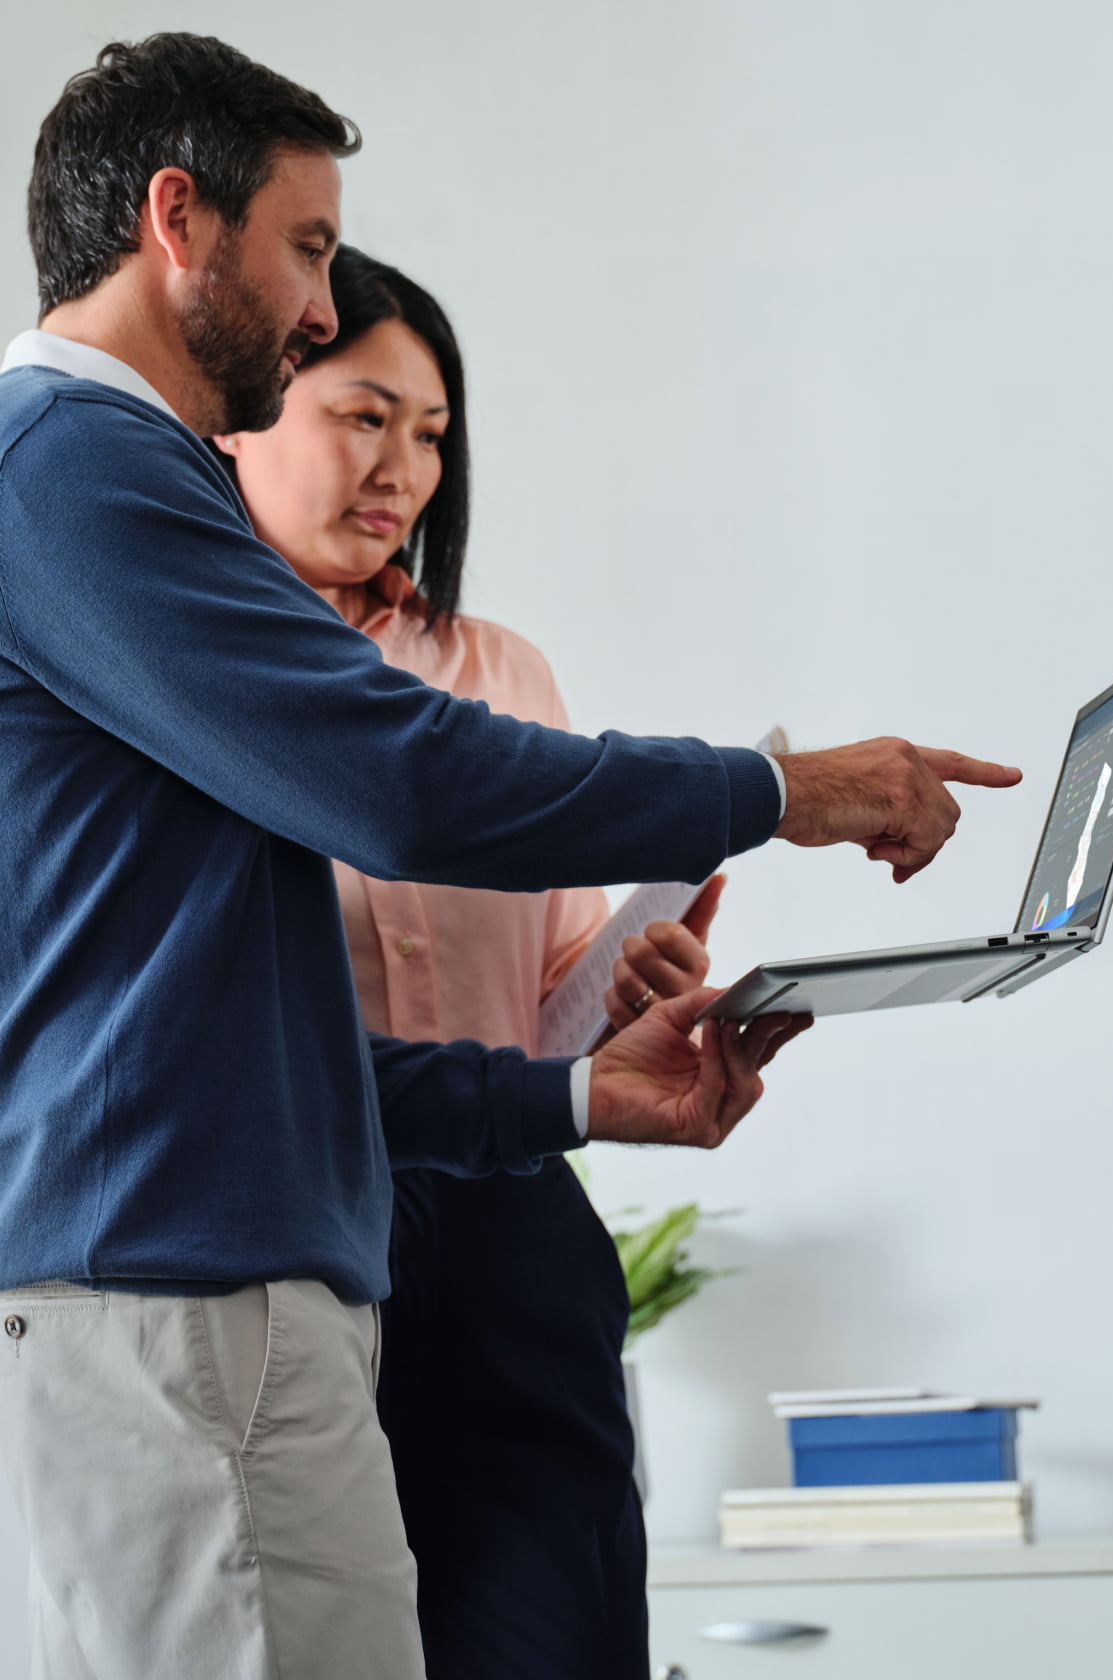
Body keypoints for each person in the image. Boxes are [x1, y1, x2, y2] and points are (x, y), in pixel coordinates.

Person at [0, 32, 1022, 1680]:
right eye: (308, 247)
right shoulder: (68, 463)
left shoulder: (79, 480)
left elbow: (252, 1037)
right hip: (183, 1307)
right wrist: (787, 791)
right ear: (177, 220)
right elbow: (408, 785)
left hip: (199, 1291)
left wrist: (574, 1096)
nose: (323, 302)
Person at [215, 245, 716, 1680]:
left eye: (431, 434)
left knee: (557, 1633)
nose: (402, 470)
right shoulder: (202, 679)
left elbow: (549, 993)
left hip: (512, 1227)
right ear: (248, 410)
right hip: (312, 1232)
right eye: (362, 417)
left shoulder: (498, 668)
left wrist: (626, 985)